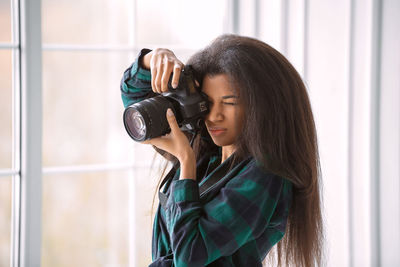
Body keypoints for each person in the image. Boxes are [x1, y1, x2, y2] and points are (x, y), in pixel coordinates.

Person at [120, 34, 324, 267]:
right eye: (206, 102)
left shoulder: (266, 176)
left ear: (263, 107)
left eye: (229, 103)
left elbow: (189, 257)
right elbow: (138, 108)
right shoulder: (205, 154)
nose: (214, 116)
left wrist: (185, 161)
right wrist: (153, 59)